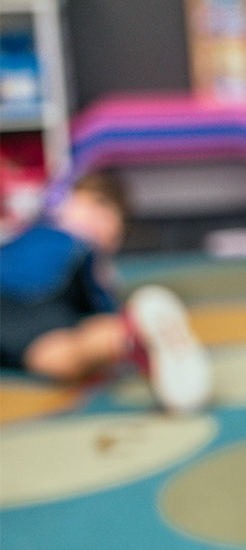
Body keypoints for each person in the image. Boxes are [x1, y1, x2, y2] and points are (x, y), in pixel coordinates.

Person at [0, 171, 212, 412]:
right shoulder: (60, 237)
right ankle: (131, 334)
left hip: (32, 311)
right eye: (96, 206)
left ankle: (130, 334)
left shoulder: (52, 237)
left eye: (111, 219)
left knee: (59, 355)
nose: (100, 220)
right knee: (64, 355)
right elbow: (101, 300)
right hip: (41, 302)